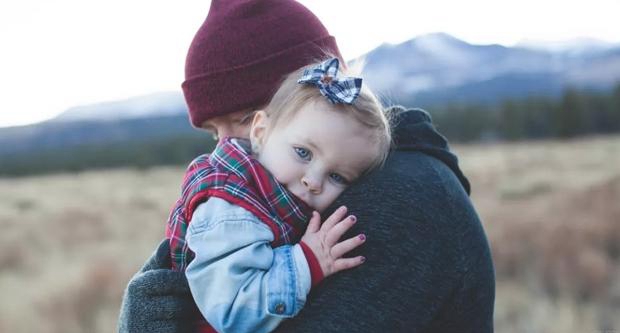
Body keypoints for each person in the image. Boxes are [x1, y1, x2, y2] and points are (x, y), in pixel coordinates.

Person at [117, 0, 495, 332]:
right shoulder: (294, 195)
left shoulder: (399, 201)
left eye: (246, 118)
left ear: (317, 92)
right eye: (214, 133)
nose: (229, 146)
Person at [167, 57, 391, 332]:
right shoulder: (231, 209)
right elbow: (234, 313)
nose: (313, 181)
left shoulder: (273, 196)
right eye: (303, 152)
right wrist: (307, 261)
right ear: (260, 132)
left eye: (337, 176)